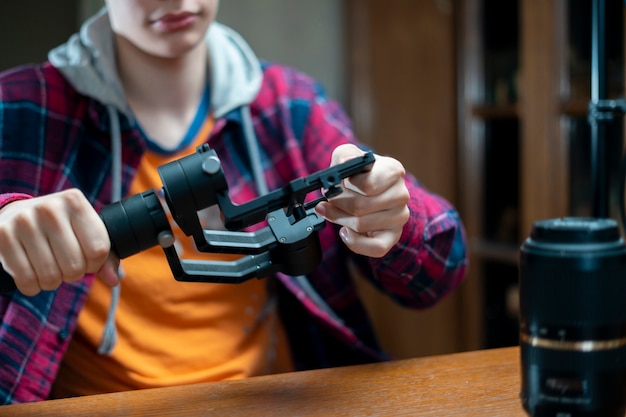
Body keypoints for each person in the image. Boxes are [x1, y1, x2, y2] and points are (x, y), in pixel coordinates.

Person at [0, 0, 467, 404]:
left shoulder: (288, 104)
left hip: (271, 400)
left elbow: (440, 271)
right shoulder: (20, 106)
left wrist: (393, 215)